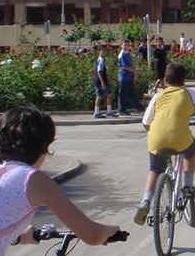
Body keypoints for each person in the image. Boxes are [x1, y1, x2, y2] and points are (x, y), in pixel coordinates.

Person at [0, 107, 121, 254]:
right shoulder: (32, 179)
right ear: (43, 147)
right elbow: (92, 235)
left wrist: (18, 236)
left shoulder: (4, 172)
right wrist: (110, 231)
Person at [134, 63, 195, 225]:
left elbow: (145, 122)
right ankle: (188, 185)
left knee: (155, 169)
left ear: (165, 80)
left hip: (156, 138)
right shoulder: (188, 93)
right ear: (184, 80)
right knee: (191, 148)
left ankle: (145, 201)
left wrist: (154, 131)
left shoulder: (158, 96)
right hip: (180, 138)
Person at [117, 40, 144, 115]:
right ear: (122, 46)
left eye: (127, 45)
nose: (126, 46)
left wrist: (134, 71)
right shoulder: (122, 54)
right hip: (124, 77)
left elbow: (130, 65)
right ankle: (123, 110)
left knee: (130, 93)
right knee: (125, 94)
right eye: (125, 45)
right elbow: (125, 67)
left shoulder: (127, 53)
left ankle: (138, 108)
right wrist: (135, 71)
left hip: (128, 77)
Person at [93, 46, 118, 118]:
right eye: (103, 51)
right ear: (100, 52)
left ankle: (105, 112)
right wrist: (102, 82)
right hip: (100, 81)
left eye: (105, 51)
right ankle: (99, 113)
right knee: (102, 96)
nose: (105, 52)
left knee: (106, 95)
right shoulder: (101, 60)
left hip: (100, 80)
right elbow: (99, 72)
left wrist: (108, 78)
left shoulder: (101, 59)